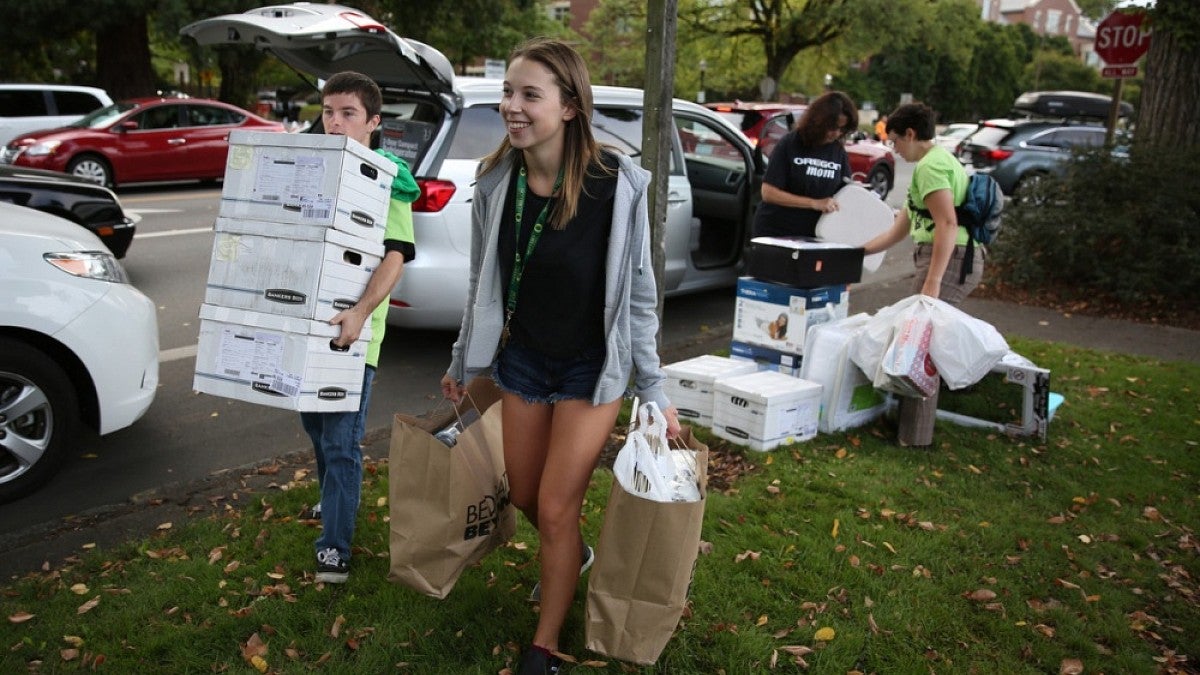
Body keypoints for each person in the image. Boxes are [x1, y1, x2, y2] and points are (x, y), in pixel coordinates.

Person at [439, 37, 681, 675]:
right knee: (523, 494)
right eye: (507, 93)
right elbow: (480, 286)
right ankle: (570, 557)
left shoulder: (616, 185)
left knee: (554, 507)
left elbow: (638, 296)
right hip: (522, 362)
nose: (511, 107)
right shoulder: (497, 182)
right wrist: (465, 361)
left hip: (589, 371)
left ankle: (543, 644)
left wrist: (652, 386)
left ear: (571, 106)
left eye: (528, 95)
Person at [300, 71, 420, 583]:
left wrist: (361, 312)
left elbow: (396, 256)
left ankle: (335, 547)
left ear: (373, 122)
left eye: (347, 113)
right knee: (314, 426)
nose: (334, 122)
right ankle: (332, 504)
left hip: (355, 335)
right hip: (307, 326)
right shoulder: (319, 169)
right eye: (328, 112)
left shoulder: (386, 178)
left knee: (341, 442)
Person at [861, 102, 980, 447]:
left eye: (895, 141)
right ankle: (909, 429)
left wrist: (932, 282)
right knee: (918, 345)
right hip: (946, 257)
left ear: (911, 135)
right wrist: (859, 251)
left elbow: (946, 223)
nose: (893, 149)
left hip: (949, 260)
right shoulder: (935, 163)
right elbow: (901, 228)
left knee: (919, 349)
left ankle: (914, 438)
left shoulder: (930, 168)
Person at [751, 91, 858, 239]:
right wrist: (814, 203)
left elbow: (845, 190)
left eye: (842, 129)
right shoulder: (790, 143)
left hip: (815, 234)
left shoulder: (837, 151)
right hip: (777, 232)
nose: (836, 134)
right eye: (833, 128)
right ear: (819, 121)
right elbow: (768, 193)